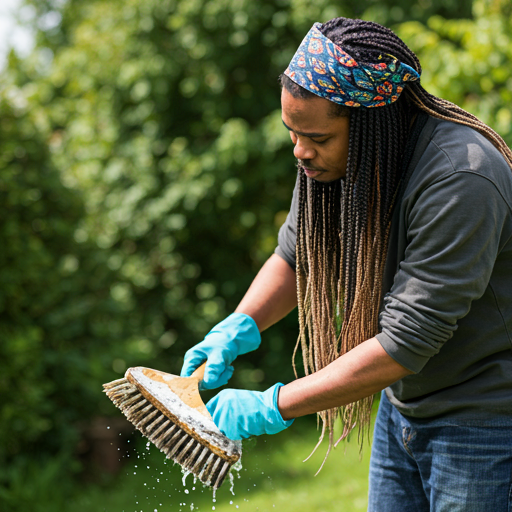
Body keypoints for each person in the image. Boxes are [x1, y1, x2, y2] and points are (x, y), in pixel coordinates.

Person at [181, 17, 512, 511]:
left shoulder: (461, 178)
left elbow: (406, 341)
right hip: (402, 408)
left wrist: (273, 405)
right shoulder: (334, 161)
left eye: (315, 136)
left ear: (373, 122)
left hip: (484, 422)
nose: (300, 151)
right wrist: (238, 325)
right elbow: (297, 256)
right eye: (291, 131)